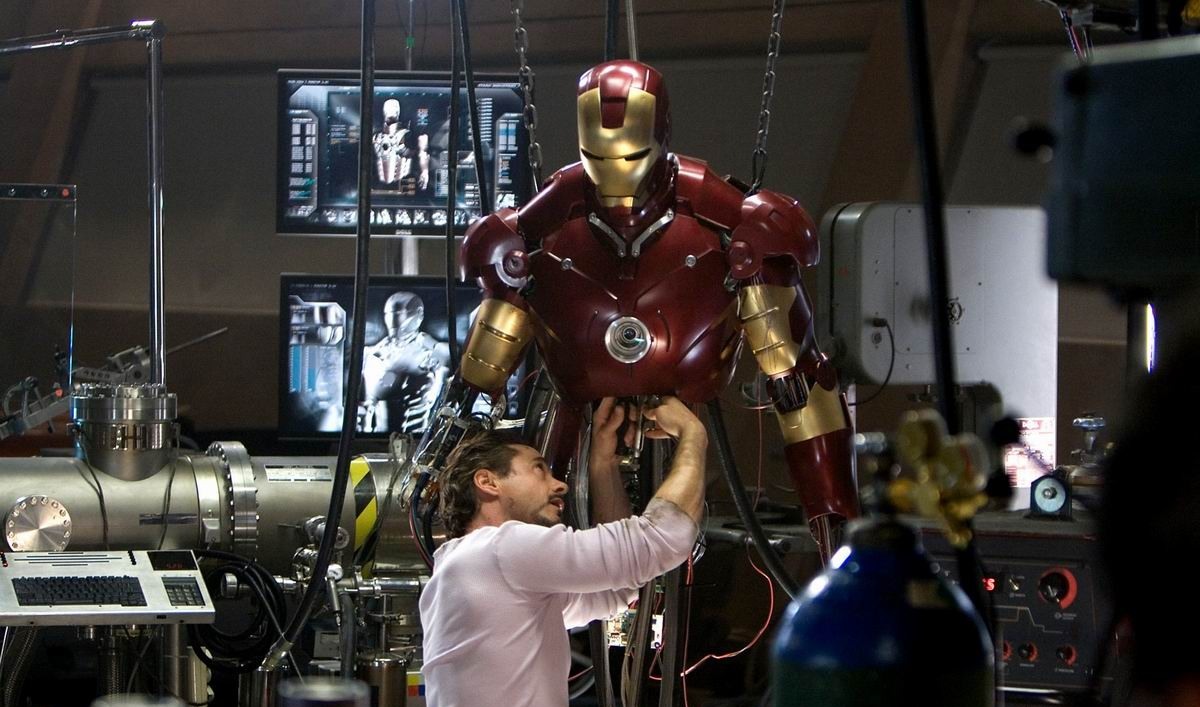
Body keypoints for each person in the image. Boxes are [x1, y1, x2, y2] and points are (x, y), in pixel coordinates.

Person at [419, 396, 707, 707]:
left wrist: (603, 463)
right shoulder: (501, 549)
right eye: (538, 469)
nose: (561, 485)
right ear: (487, 482)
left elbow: (613, 590)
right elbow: (664, 537)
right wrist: (692, 434)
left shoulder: (474, 569)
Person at [357, 292, 450, 433]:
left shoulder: (431, 351)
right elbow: (378, 391)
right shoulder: (373, 353)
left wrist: (428, 344)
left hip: (418, 435)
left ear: (418, 314)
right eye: (389, 313)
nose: (393, 319)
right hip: (375, 435)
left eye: (398, 313)